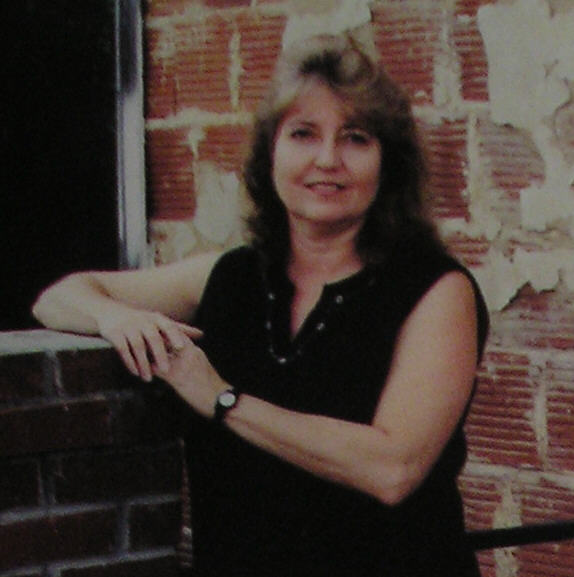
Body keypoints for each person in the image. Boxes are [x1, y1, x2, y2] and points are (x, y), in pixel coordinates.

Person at [33, 33, 488, 577]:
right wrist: (116, 317)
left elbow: (392, 469)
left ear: (388, 163)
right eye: (303, 134)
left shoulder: (437, 290)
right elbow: (58, 297)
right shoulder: (230, 276)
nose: (327, 160)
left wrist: (220, 398)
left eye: (355, 138)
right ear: (270, 153)